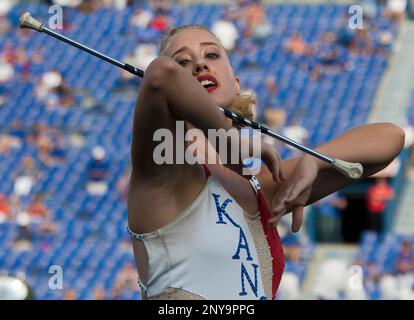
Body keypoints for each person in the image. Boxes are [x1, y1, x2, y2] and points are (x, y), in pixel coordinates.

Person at [126, 24, 405, 300]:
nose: (199, 64)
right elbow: (161, 74)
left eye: (211, 55)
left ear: (236, 84)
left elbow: (389, 139)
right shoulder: (165, 164)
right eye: (184, 61)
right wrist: (228, 139)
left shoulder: (262, 187)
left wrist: (314, 161)